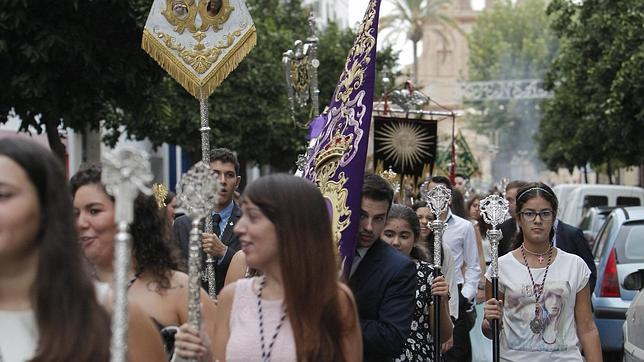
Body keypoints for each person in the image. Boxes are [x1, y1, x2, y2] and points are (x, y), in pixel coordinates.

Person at [0, 139, 165, 361]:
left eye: (3, 195)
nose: (84, 222)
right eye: (78, 212)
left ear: (47, 207)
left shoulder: (111, 314)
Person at [174, 174, 362, 361]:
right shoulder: (232, 297)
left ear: (291, 227)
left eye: (253, 217)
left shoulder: (335, 301)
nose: (239, 228)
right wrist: (203, 354)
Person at [70, 164, 216, 360]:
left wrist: (204, 355)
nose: (81, 222)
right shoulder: (66, 289)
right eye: (76, 213)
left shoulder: (180, 289)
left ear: (129, 215)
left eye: (94, 211)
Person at [483, 183, 601, 361]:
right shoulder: (500, 268)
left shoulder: (575, 266)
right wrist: (491, 321)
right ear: (519, 219)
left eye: (545, 213)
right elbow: (489, 330)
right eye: (529, 213)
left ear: (554, 217)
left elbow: (587, 327)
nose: (537, 220)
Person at [349, 173, 417, 360]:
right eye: (362, 215)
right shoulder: (322, 250)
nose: (369, 227)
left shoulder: (399, 268)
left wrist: (335, 320)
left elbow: (391, 337)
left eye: (378, 219)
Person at [381, 204, 453, 361]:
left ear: (415, 239)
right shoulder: (369, 270)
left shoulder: (429, 274)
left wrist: (440, 301)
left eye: (404, 236)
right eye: (389, 234)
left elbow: (443, 335)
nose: (395, 242)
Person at [425, 175, 481, 362]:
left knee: (456, 350)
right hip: (425, 291)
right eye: (432, 193)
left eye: (442, 193)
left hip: (455, 291)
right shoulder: (422, 224)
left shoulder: (463, 226)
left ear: (449, 196)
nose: (437, 197)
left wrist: (466, 294)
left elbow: (473, 265)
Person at [173, 148, 243, 295]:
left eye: (229, 175)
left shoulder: (248, 223)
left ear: (237, 182)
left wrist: (224, 252)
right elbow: (174, 274)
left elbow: (256, 271)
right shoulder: (183, 225)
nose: (222, 181)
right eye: (215, 174)